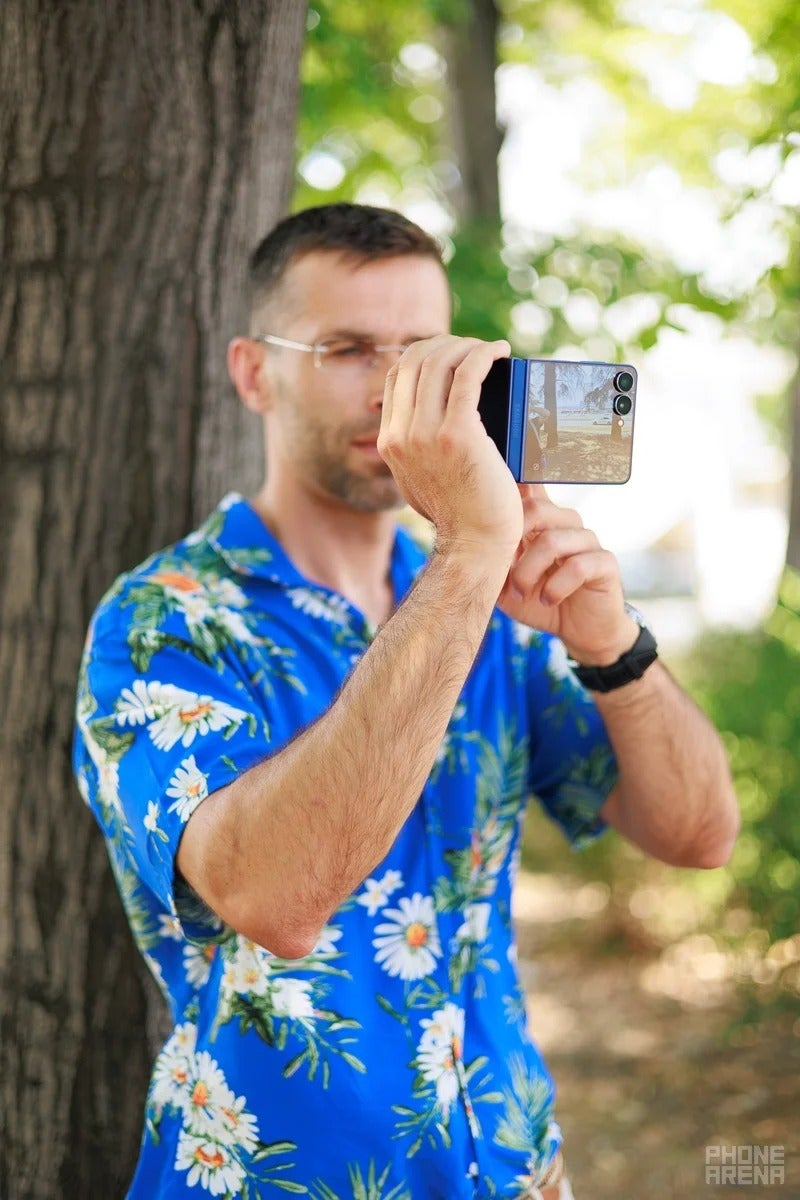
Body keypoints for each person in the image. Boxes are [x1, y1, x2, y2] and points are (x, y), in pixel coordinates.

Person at [73, 203, 739, 1200]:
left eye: (423, 355)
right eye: (348, 348)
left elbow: (697, 834)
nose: (394, 389)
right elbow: (274, 901)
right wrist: (471, 548)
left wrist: (610, 644)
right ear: (255, 372)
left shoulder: (496, 606)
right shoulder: (162, 622)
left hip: (511, 1166)